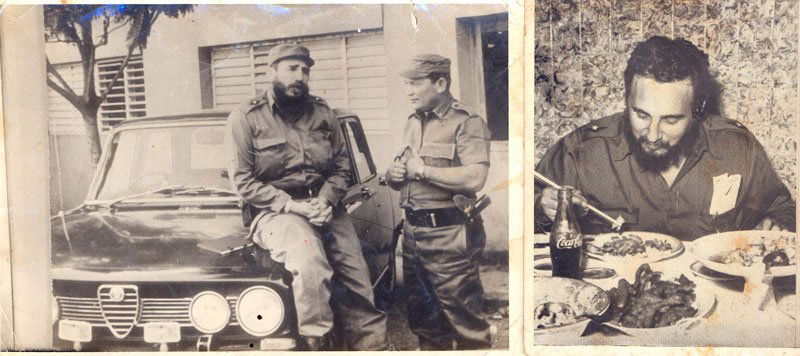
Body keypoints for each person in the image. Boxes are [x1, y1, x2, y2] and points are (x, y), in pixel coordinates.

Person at [535, 36, 796, 240]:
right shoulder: (582, 151)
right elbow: (522, 221)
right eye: (641, 114)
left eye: (671, 120)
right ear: (626, 99)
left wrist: (776, 226)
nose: (652, 134)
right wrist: (541, 208)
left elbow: (783, 210)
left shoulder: (737, 148)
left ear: (698, 110)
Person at [225, 43, 389, 351]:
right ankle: (317, 341)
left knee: (357, 277)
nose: (300, 76)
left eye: (305, 70)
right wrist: (291, 205)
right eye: (292, 69)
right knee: (309, 258)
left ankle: (373, 347)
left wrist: (325, 200)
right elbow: (242, 181)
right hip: (275, 211)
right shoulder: (246, 117)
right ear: (271, 72)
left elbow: (342, 167)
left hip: (325, 207)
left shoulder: (323, 113)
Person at [386, 54, 492, 350]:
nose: (408, 91)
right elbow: (403, 171)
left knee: (465, 323)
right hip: (412, 235)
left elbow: (475, 177)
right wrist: (393, 174)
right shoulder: (412, 122)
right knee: (425, 322)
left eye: (415, 83)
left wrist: (422, 171)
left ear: (441, 83)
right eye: (406, 84)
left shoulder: (466, 122)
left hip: (450, 235)